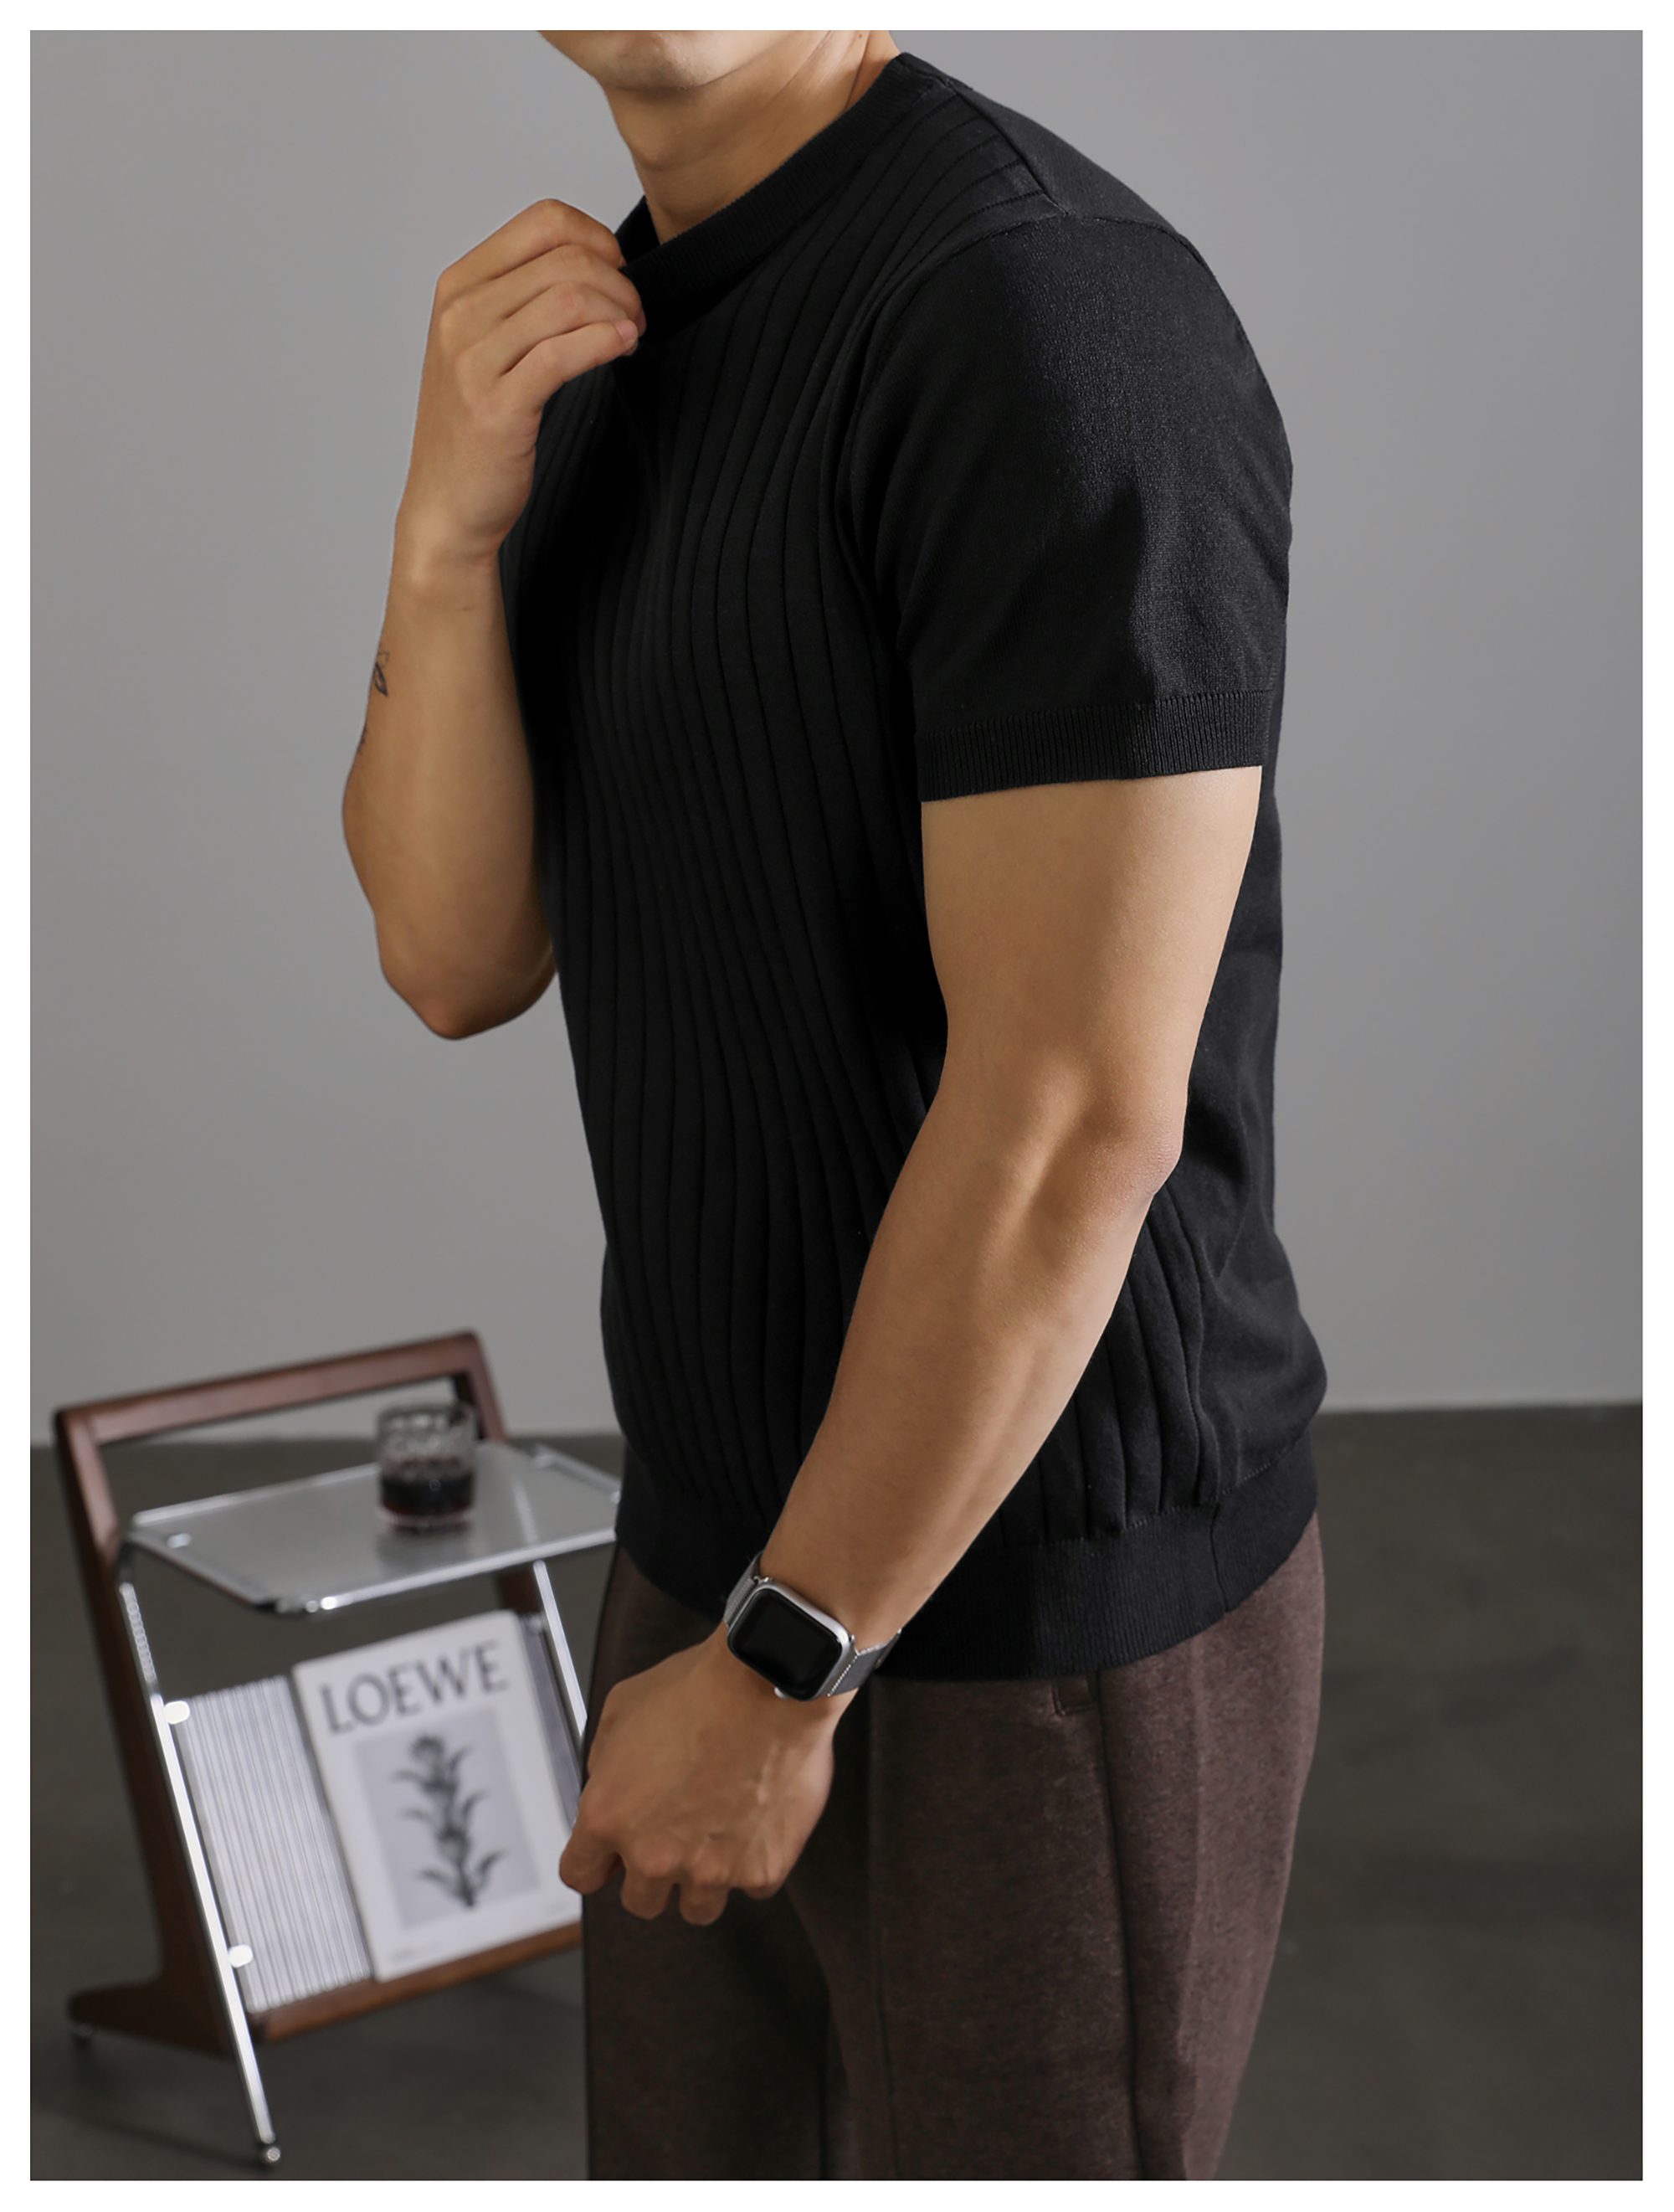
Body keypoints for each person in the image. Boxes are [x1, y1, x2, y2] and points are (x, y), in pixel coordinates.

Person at [343, 28, 1328, 2181]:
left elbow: (1073, 1110)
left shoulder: (1047, 318)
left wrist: (787, 1660)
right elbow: (452, 950)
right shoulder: (594, 326)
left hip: (1009, 1592)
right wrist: (442, 537)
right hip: (715, 1529)